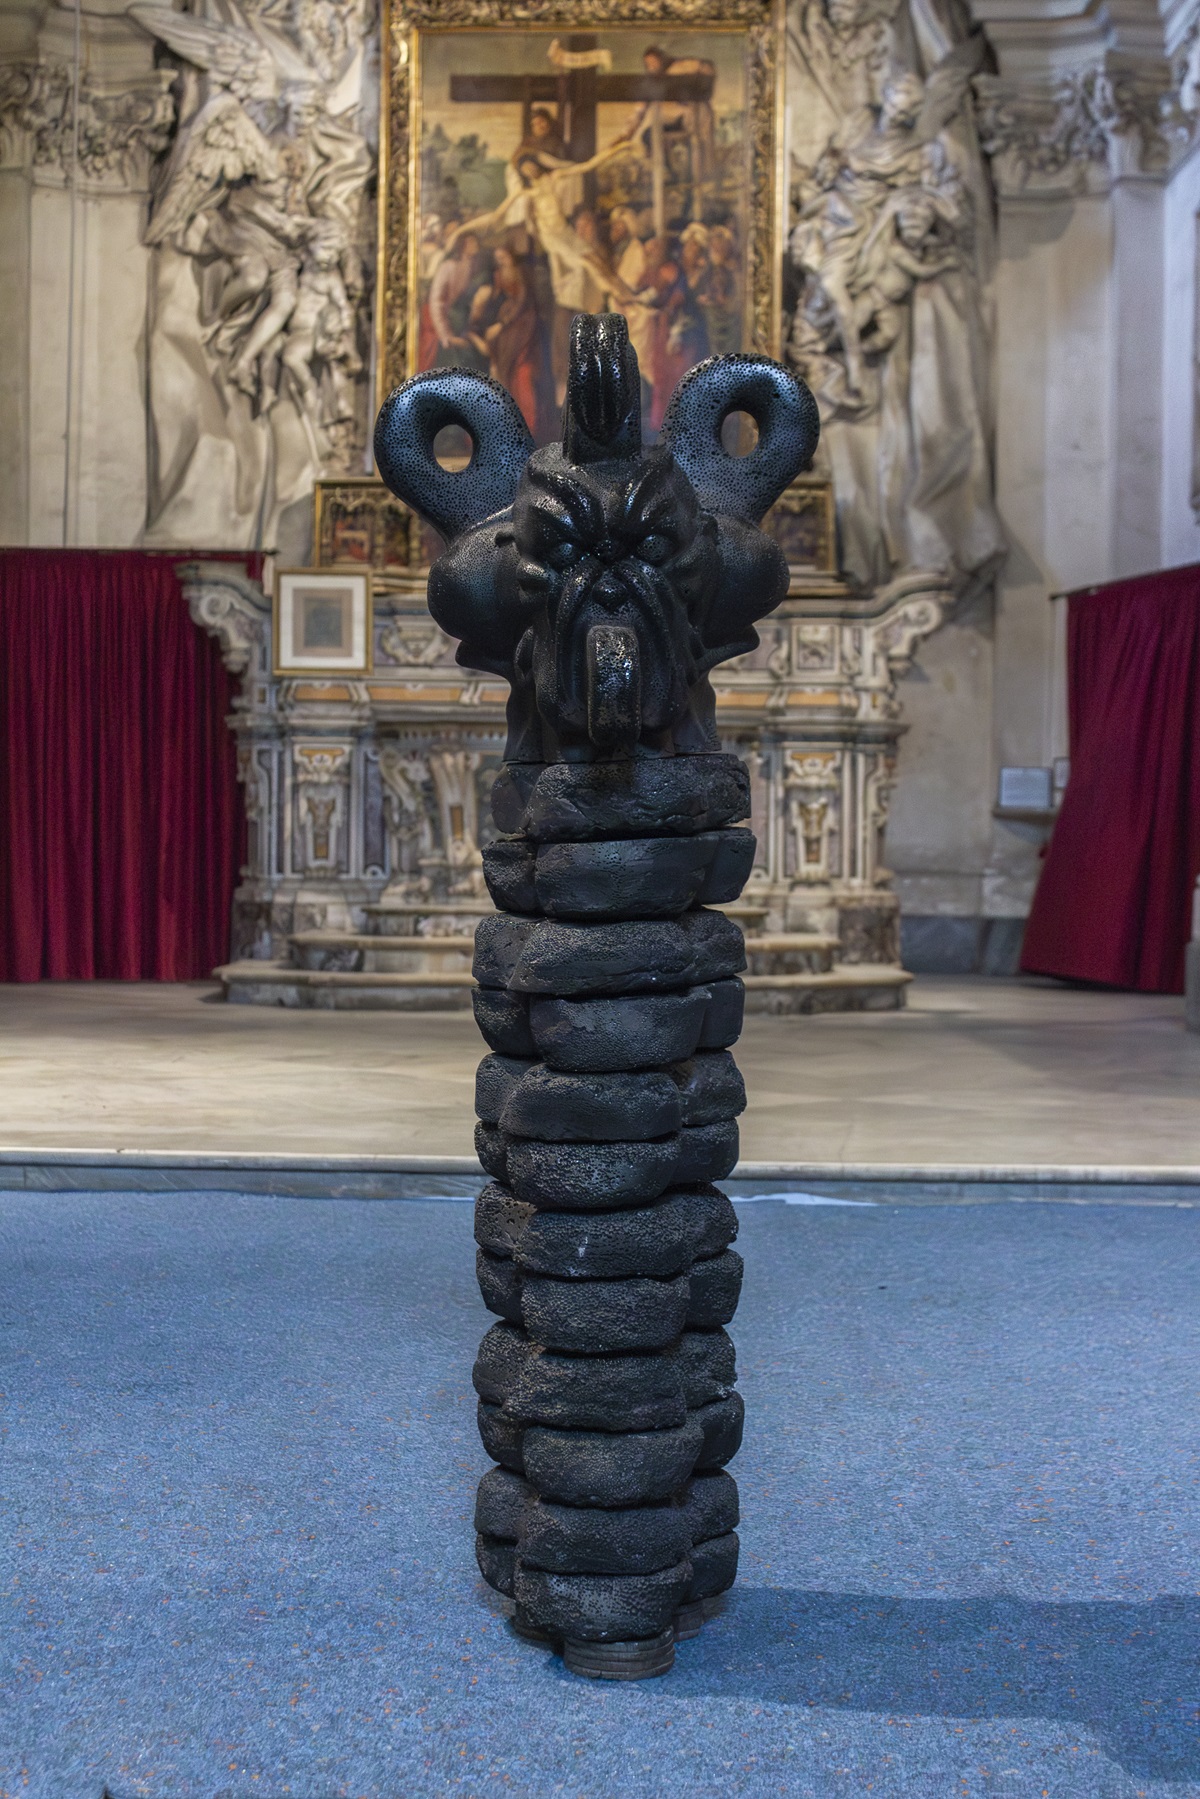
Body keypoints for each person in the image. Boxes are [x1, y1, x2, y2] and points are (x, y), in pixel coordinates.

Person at [465, 244, 555, 442]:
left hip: (524, 322)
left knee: (520, 369)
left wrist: (502, 323)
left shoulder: (519, 272)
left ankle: (528, 427)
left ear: (511, 255)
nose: (501, 260)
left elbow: (522, 300)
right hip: (508, 318)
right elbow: (496, 297)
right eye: (498, 258)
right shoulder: (498, 275)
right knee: (505, 369)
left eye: (504, 256)